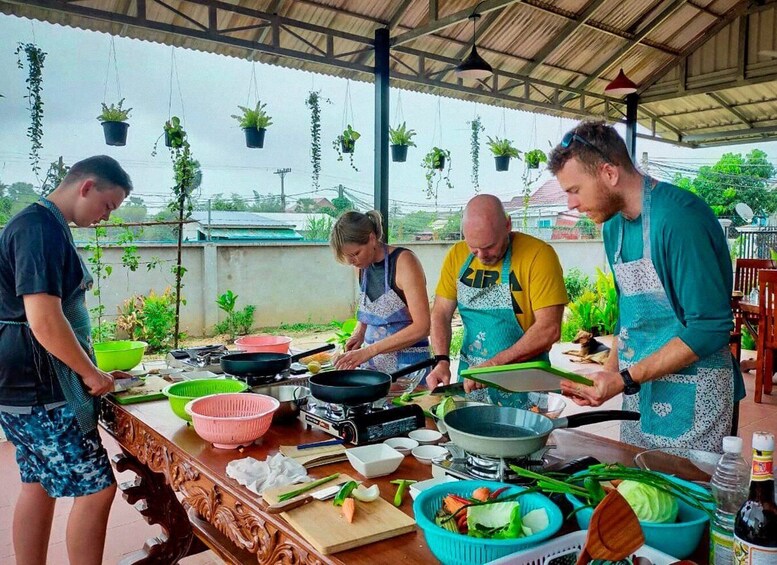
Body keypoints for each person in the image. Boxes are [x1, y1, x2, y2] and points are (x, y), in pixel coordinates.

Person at [548, 120, 745, 451]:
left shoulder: (680, 218)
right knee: (640, 492)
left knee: (685, 499)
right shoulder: (613, 228)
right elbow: (630, 317)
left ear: (609, 174)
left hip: (697, 394)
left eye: (574, 190)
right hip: (640, 390)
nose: (571, 205)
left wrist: (624, 379)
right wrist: (607, 376)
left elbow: (710, 328)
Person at [0, 155, 133, 565]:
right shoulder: (40, 229)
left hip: (18, 380)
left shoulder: (40, 224)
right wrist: (89, 373)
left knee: (37, 482)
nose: (105, 217)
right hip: (38, 384)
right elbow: (44, 320)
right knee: (97, 489)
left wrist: (91, 369)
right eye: (107, 206)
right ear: (86, 187)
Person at [426, 194, 568, 406]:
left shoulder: (538, 255)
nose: (481, 255)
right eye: (473, 247)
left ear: (508, 225)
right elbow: (440, 314)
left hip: (525, 383)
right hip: (472, 379)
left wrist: (493, 365)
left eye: (489, 246)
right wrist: (441, 360)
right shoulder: (457, 255)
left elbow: (549, 329)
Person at [329, 210, 432, 374]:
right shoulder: (361, 267)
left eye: (356, 254)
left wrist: (369, 351)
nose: (353, 262)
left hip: (409, 369)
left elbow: (423, 327)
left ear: (371, 238)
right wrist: (359, 333)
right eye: (348, 258)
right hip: (374, 367)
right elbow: (370, 309)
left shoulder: (404, 262)